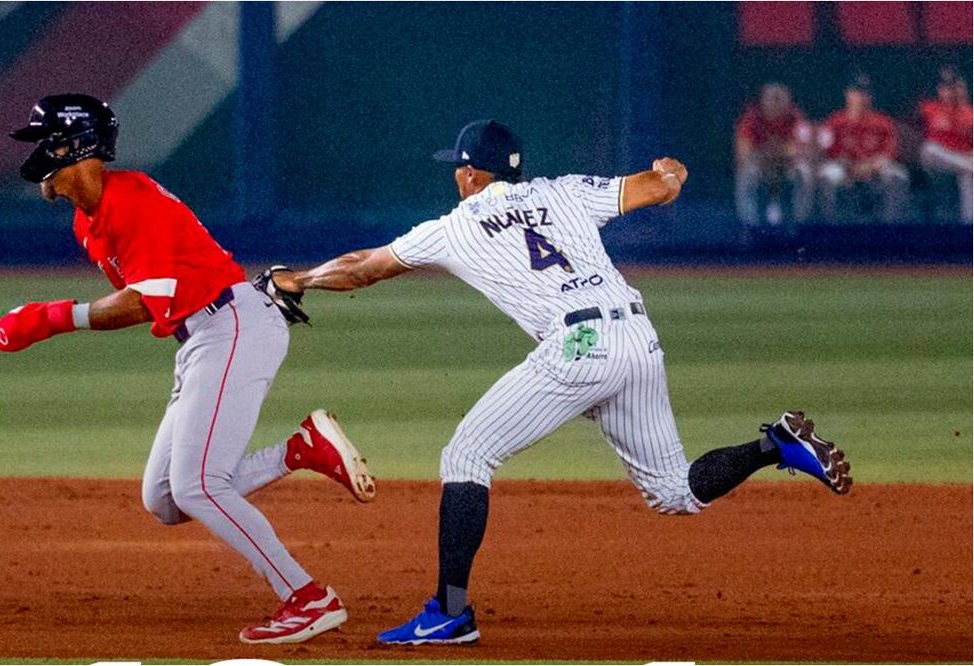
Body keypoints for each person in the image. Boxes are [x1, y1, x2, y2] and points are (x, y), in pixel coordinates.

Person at [267, 119, 852, 645]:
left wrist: (299, 280)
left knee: (466, 454)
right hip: (638, 337)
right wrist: (670, 172)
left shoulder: (454, 227)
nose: (456, 176)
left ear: (471, 174)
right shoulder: (566, 190)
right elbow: (661, 185)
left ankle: (450, 613)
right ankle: (776, 443)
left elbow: (363, 268)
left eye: (458, 167)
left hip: (579, 345)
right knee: (675, 492)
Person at [0, 94, 377, 645]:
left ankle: (308, 597)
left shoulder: (133, 200)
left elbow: (141, 304)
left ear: (74, 147)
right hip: (204, 335)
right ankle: (301, 450)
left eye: (44, 141)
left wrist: (51, 319)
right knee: (166, 500)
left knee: (198, 484)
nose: (36, 155)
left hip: (230, 328)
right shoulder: (89, 220)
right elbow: (151, 297)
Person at [817, 75, 909, 223]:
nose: (860, 97)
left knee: (898, 175)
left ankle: (891, 229)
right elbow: (826, 152)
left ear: (871, 97)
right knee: (827, 176)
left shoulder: (883, 122)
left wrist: (871, 166)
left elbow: (889, 153)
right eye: (856, 92)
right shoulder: (834, 121)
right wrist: (847, 165)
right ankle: (830, 228)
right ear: (848, 95)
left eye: (865, 93)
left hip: (874, 169)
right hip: (845, 169)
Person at [734, 83, 814, 227]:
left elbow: (803, 149)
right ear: (762, 101)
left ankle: (800, 222)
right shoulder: (751, 119)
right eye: (772, 99)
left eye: (780, 99)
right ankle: (749, 224)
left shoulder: (796, 116)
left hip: (786, 166)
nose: (776, 104)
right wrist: (777, 152)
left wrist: (778, 152)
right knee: (747, 173)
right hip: (760, 165)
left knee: (804, 171)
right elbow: (745, 153)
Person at [919, 66, 973, 223]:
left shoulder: (970, 113)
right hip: (936, 163)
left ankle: (969, 225)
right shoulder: (930, 108)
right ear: (939, 89)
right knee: (929, 149)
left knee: (967, 175)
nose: (949, 91)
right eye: (945, 87)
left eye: (953, 87)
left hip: (961, 161)